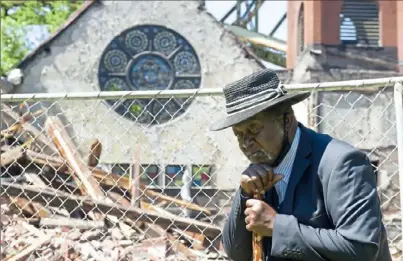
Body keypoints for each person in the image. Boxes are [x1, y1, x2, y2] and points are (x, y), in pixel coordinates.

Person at [209, 69, 392, 261]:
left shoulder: (341, 163)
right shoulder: (261, 168)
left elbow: (361, 249)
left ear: (286, 119)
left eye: (254, 128)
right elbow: (237, 253)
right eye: (239, 134)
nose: (246, 142)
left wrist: (277, 227)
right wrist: (245, 194)